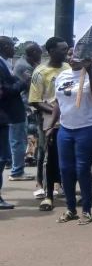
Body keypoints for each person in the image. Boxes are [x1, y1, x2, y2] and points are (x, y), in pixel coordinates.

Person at [50, 55, 92, 224]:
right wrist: (51, 125)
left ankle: (87, 210)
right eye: (69, 54)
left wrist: (89, 71)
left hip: (89, 126)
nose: (71, 58)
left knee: (82, 168)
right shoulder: (62, 75)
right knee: (65, 170)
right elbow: (58, 103)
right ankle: (70, 209)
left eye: (76, 55)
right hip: (66, 128)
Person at [28, 37, 71, 211]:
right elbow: (35, 100)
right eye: (62, 49)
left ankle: (62, 187)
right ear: (51, 51)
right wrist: (54, 111)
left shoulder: (68, 68)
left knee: (65, 155)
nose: (66, 52)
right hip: (47, 117)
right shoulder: (40, 72)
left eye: (67, 49)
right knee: (47, 156)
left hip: (68, 116)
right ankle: (47, 193)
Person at [9, 42, 41, 182]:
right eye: (39, 53)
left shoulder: (28, 63)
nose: (40, 56)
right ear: (33, 53)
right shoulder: (23, 66)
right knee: (19, 139)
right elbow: (31, 85)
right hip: (21, 106)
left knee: (23, 137)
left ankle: (18, 169)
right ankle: (17, 172)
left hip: (24, 106)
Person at [0, 36, 26, 209]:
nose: (14, 49)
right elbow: (5, 90)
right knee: (2, 158)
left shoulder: (5, 64)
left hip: (5, 116)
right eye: (12, 46)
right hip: (3, 116)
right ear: (5, 46)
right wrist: (22, 83)